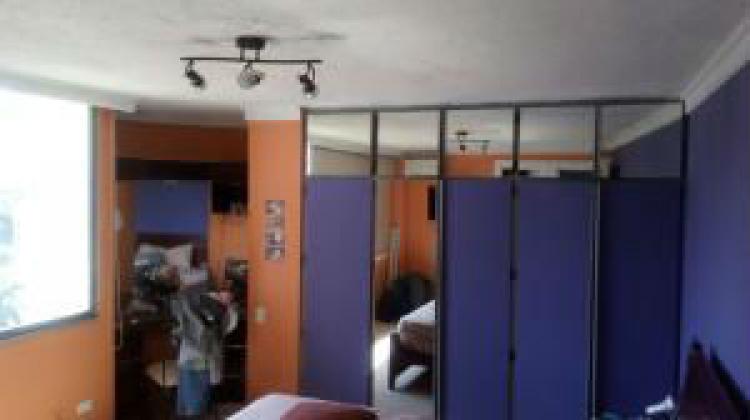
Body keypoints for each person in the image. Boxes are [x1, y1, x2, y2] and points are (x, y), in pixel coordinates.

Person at [171, 283, 237, 418]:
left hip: (192, 358)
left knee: (192, 399)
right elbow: (225, 328)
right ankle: (194, 413)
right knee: (195, 401)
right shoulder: (207, 307)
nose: (225, 298)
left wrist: (227, 307)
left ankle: (191, 413)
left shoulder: (195, 302)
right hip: (198, 359)